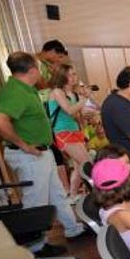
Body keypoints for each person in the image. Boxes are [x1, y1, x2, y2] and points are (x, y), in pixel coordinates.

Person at [0, 52, 85, 248]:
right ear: (32, 70)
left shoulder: (27, 89)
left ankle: (72, 228)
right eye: (39, 68)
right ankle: (36, 247)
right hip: (29, 155)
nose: (42, 72)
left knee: (57, 193)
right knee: (36, 201)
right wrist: (24, 145)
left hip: (42, 152)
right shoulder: (15, 91)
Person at [47, 63, 92, 201]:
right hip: (62, 132)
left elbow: (78, 113)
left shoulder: (73, 94)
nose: (74, 77)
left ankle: (72, 195)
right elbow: (69, 110)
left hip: (75, 130)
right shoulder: (57, 92)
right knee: (86, 161)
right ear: (62, 76)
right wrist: (84, 99)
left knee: (79, 165)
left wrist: (87, 113)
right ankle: (95, 191)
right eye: (70, 75)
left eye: (74, 74)